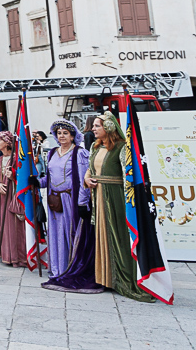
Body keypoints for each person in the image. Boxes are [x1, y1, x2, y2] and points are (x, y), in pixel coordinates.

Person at [79, 112, 154, 302]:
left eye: (97, 126)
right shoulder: (95, 147)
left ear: (109, 128)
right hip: (99, 197)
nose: (93, 129)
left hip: (116, 198)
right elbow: (90, 168)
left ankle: (123, 278)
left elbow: (129, 174)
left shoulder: (121, 147)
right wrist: (87, 179)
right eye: (94, 126)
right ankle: (106, 278)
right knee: (102, 235)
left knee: (118, 236)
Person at [38, 119, 91, 278]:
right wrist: (37, 182)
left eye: (65, 133)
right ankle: (57, 268)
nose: (61, 136)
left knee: (69, 233)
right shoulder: (52, 152)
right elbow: (49, 177)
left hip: (69, 200)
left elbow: (84, 180)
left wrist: (82, 202)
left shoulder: (80, 153)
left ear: (73, 136)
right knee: (54, 234)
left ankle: (69, 268)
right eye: (59, 133)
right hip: (53, 201)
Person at [0, 131, 28, 268]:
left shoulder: (16, 159)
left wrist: (13, 178)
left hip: (12, 197)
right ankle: (6, 255)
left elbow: (24, 180)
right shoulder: (0, 160)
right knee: (3, 226)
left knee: (14, 227)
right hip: (1, 198)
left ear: (7, 142)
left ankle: (18, 256)